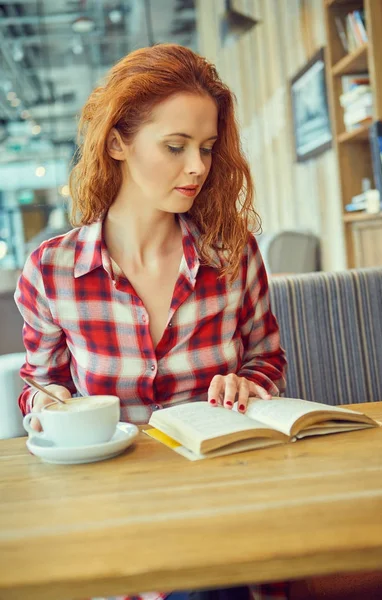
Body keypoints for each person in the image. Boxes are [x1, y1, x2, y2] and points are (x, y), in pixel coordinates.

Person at [15, 44, 287, 600]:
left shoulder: (232, 254)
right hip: (112, 505)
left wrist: (249, 383)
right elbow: (39, 386)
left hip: (222, 496)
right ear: (117, 141)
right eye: (175, 146)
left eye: (208, 148)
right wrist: (45, 407)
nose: (197, 167)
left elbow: (268, 357)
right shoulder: (52, 270)